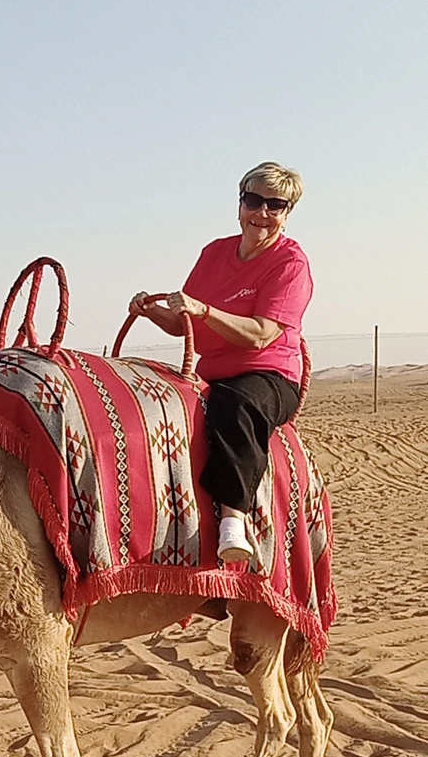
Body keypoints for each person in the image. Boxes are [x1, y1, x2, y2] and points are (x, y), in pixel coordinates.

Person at [130, 161, 312, 563]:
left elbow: (262, 334)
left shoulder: (290, 265)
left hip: (267, 375)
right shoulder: (214, 253)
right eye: (254, 200)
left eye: (275, 205)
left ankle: (234, 518)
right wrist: (150, 311)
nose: (262, 213)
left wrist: (205, 310)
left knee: (234, 406)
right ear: (240, 202)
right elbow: (183, 325)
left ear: (287, 213)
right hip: (210, 372)